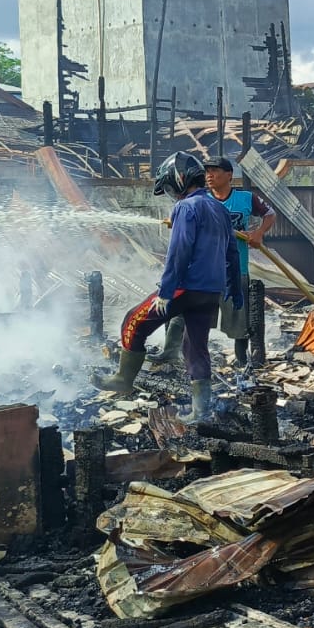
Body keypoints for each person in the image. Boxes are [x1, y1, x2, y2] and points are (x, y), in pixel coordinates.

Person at [94, 151, 242, 424]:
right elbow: (232, 252)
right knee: (196, 347)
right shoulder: (219, 208)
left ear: (180, 180)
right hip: (211, 290)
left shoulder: (186, 207)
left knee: (133, 321)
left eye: (172, 188)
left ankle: (123, 379)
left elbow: (179, 252)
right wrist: (234, 288)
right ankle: (201, 412)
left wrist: (165, 291)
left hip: (185, 287)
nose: (172, 194)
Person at [150, 158, 276, 368]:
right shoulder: (200, 199)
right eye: (207, 171)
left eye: (215, 171)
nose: (209, 175)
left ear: (229, 175)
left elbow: (270, 214)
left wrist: (258, 233)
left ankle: (241, 360)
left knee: (237, 317)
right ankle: (171, 353)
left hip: (234, 266)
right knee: (185, 314)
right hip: (202, 269)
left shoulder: (245, 198)